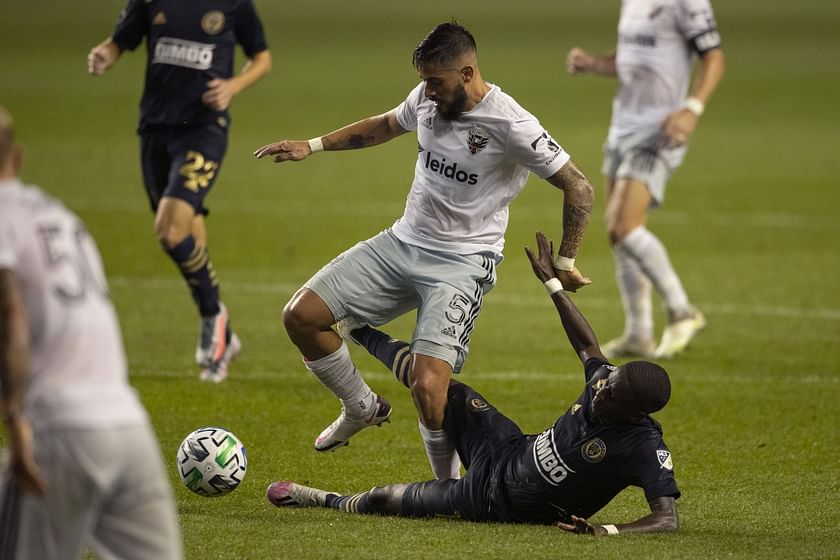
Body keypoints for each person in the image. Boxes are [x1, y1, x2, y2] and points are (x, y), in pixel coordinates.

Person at [254, 22, 594, 478]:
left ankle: (446, 486)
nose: (427, 92)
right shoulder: (429, 100)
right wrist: (313, 146)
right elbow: (385, 126)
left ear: (468, 72)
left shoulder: (511, 123)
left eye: (436, 81)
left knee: (428, 386)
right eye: (423, 82)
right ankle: (360, 406)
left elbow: (579, 185)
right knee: (301, 315)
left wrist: (568, 260)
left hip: (462, 262)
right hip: (402, 243)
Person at [265, 232, 680, 535]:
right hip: (508, 447)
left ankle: (317, 497)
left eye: (611, 393)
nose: (601, 388)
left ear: (635, 412)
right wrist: (552, 284)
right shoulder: (605, 382)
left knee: (382, 499)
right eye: (608, 382)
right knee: (438, 386)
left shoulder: (643, 445)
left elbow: (666, 519)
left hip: (495, 501)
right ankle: (356, 328)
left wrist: (608, 531)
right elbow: (587, 344)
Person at [0, 107, 182, 558]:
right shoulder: (59, 215)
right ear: (16, 158)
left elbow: (11, 316)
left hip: (61, 431)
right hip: (129, 427)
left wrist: (15, 419)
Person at [87, 0, 272, 382]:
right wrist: (106, 53)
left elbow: (262, 58)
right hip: (155, 129)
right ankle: (223, 341)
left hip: (203, 130)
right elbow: (122, 40)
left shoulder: (233, 5)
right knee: (185, 229)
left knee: (170, 231)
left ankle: (212, 316)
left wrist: (232, 87)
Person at [566, 0, 725, 359]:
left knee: (623, 227)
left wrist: (692, 110)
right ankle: (639, 332)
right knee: (617, 234)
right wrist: (593, 63)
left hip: (661, 128)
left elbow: (714, 58)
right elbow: (629, 59)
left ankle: (682, 311)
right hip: (623, 127)